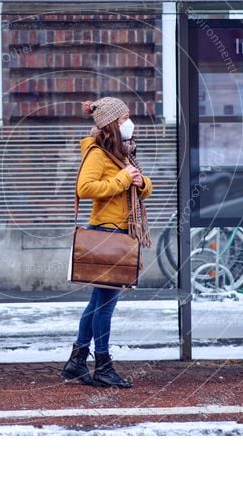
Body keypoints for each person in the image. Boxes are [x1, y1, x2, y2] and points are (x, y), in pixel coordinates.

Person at [61, 97, 153, 388]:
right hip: (107, 233)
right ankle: (102, 365)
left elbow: (141, 187)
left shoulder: (122, 153)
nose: (130, 122)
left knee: (97, 303)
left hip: (122, 232)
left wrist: (141, 183)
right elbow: (84, 188)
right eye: (125, 117)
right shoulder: (98, 154)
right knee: (106, 306)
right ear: (114, 123)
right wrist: (124, 181)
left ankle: (77, 362)